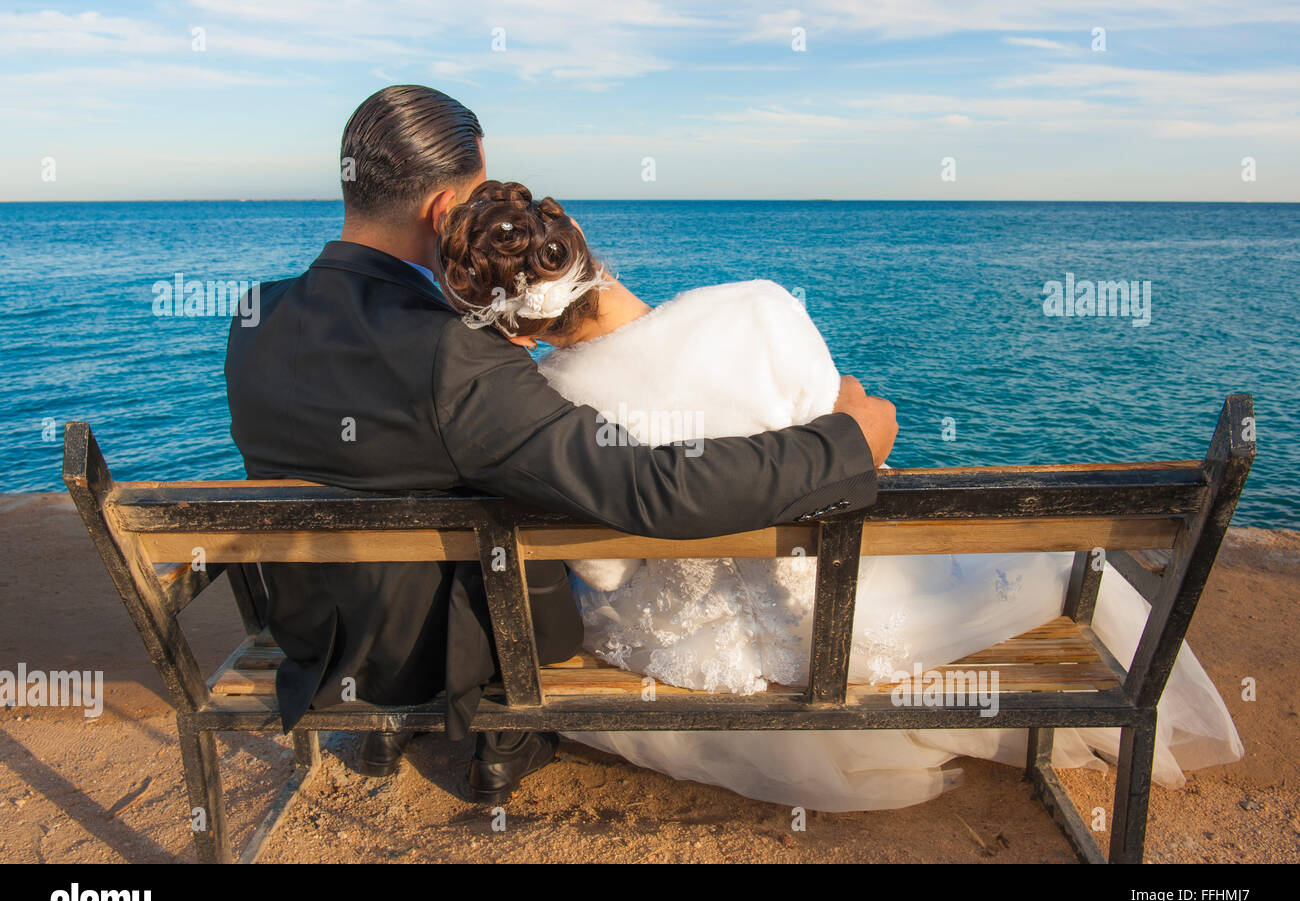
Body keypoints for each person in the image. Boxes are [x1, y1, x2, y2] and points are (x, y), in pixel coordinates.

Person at [432, 179, 1244, 811]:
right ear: (577, 238)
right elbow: (855, 470)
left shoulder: (554, 403)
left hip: (691, 659)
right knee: (1063, 568)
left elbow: (606, 574)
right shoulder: (756, 307)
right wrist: (848, 398)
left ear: (511, 328)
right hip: (838, 617)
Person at [223, 86, 897, 804]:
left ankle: (387, 719)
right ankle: (509, 731)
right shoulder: (455, 355)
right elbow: (650, 487)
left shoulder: (255, 314)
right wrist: (844, 444)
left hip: (315, 638)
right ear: (442, 211)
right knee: (539, 509)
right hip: (426, 654)